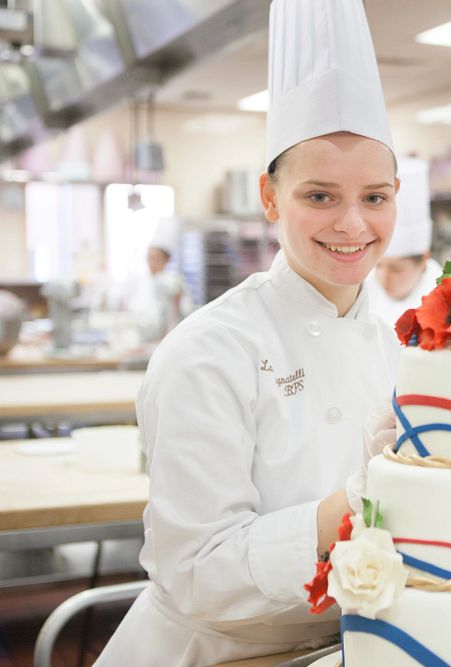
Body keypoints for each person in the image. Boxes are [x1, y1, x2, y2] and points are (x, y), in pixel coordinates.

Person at [95, 0, 400, 664]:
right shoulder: (208, 351)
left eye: (375, 196)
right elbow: (198, 571)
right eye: (320, 196)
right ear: (270, 197)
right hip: (214, 651)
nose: (353, 224)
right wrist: (354, 500)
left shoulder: (399, 348)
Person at [365, 156, 442, 328]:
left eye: (396, 269)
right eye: (379, 266)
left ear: (423, 261)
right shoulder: (362, 291)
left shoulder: (445, 299)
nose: (384, 277)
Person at [130, 218, 191, 342]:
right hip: (143, 340)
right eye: (149, 258)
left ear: (167, 259)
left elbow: (183, 313)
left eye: (156, 258)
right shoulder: (140, 283)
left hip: (168, 341)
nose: (151, 263)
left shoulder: (174, 282)